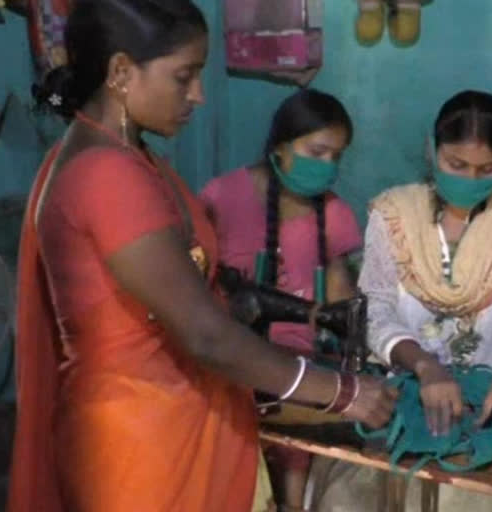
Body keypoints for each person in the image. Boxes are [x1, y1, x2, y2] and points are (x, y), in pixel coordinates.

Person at [8, 2, 396, 511]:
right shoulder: (106, 176)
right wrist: (342, 392)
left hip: (164, 420)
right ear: (122, 72)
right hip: (141, 440)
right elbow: (205, 332)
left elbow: (202, 286)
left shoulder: (128, 157)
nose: (199, 95)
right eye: (184, 76)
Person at [311, 90, 492, 511]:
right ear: (432, 151)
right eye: (456, 165)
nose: (468, 180)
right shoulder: (393, 213)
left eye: (486, 169)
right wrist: (424, 365)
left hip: (481, 406)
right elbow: (373, 308)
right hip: (394, 400)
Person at [199, 89, 362, 512]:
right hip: (232, 367)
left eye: (336, 157)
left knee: (301, 458)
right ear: (279, 145)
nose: (327, 166)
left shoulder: (334, 213)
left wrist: (355, 338)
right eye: (317, 151)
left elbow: (343, 296)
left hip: (302, 373)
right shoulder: (221, 198)